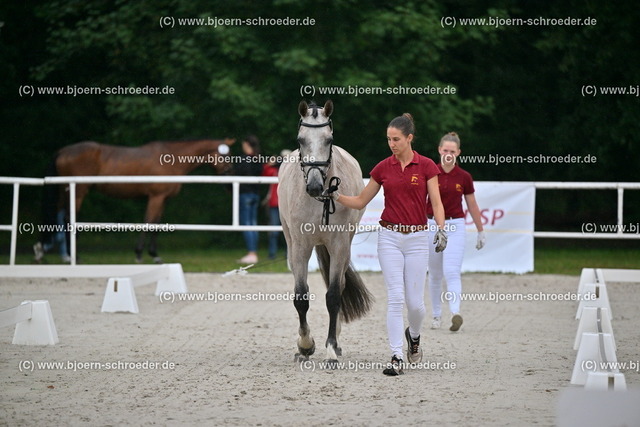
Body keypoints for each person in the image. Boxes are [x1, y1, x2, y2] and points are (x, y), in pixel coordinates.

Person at [331, 113, 447, 376]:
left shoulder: (427, 166)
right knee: (395, 298)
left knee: (416, 305)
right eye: (388, 139)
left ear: (409, 138)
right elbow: (360, 201)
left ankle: (414, 336)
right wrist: (336, 196)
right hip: (389, 238)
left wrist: (441, 229)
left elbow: (437, 203)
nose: (391, 144)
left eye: (396, 139)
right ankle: (396, 356)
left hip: (417, 239)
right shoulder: (383, 168)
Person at [427, 132, 485, 332]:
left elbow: (472, 204)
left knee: (452, 271)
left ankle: (455, 312)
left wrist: (480, 230)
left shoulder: (464, 177)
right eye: (445, 150)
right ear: (439, 150)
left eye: (452, 151)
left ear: (458, 152)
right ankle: (436, 315)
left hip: (455, 225)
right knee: (435, 273)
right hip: (432, 225)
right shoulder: (430, 172)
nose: (448, 154)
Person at [235, 135, 264, 264]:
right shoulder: (258, 158)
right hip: (255, 194)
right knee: (253, 223)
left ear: (247, 144)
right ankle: (254, 252)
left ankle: (251, 253)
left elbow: (236, 173)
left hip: (245, 193)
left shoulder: (243, 159)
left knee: (247, 223)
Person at [261, 149, 291, 259]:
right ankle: (272, 254)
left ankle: (289, 254)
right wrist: (269, 163)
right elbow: (264, 173)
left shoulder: (293, 172)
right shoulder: (275, 171)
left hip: (288, 205)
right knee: (274, 231)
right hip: (275, 204)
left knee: (290, 231)